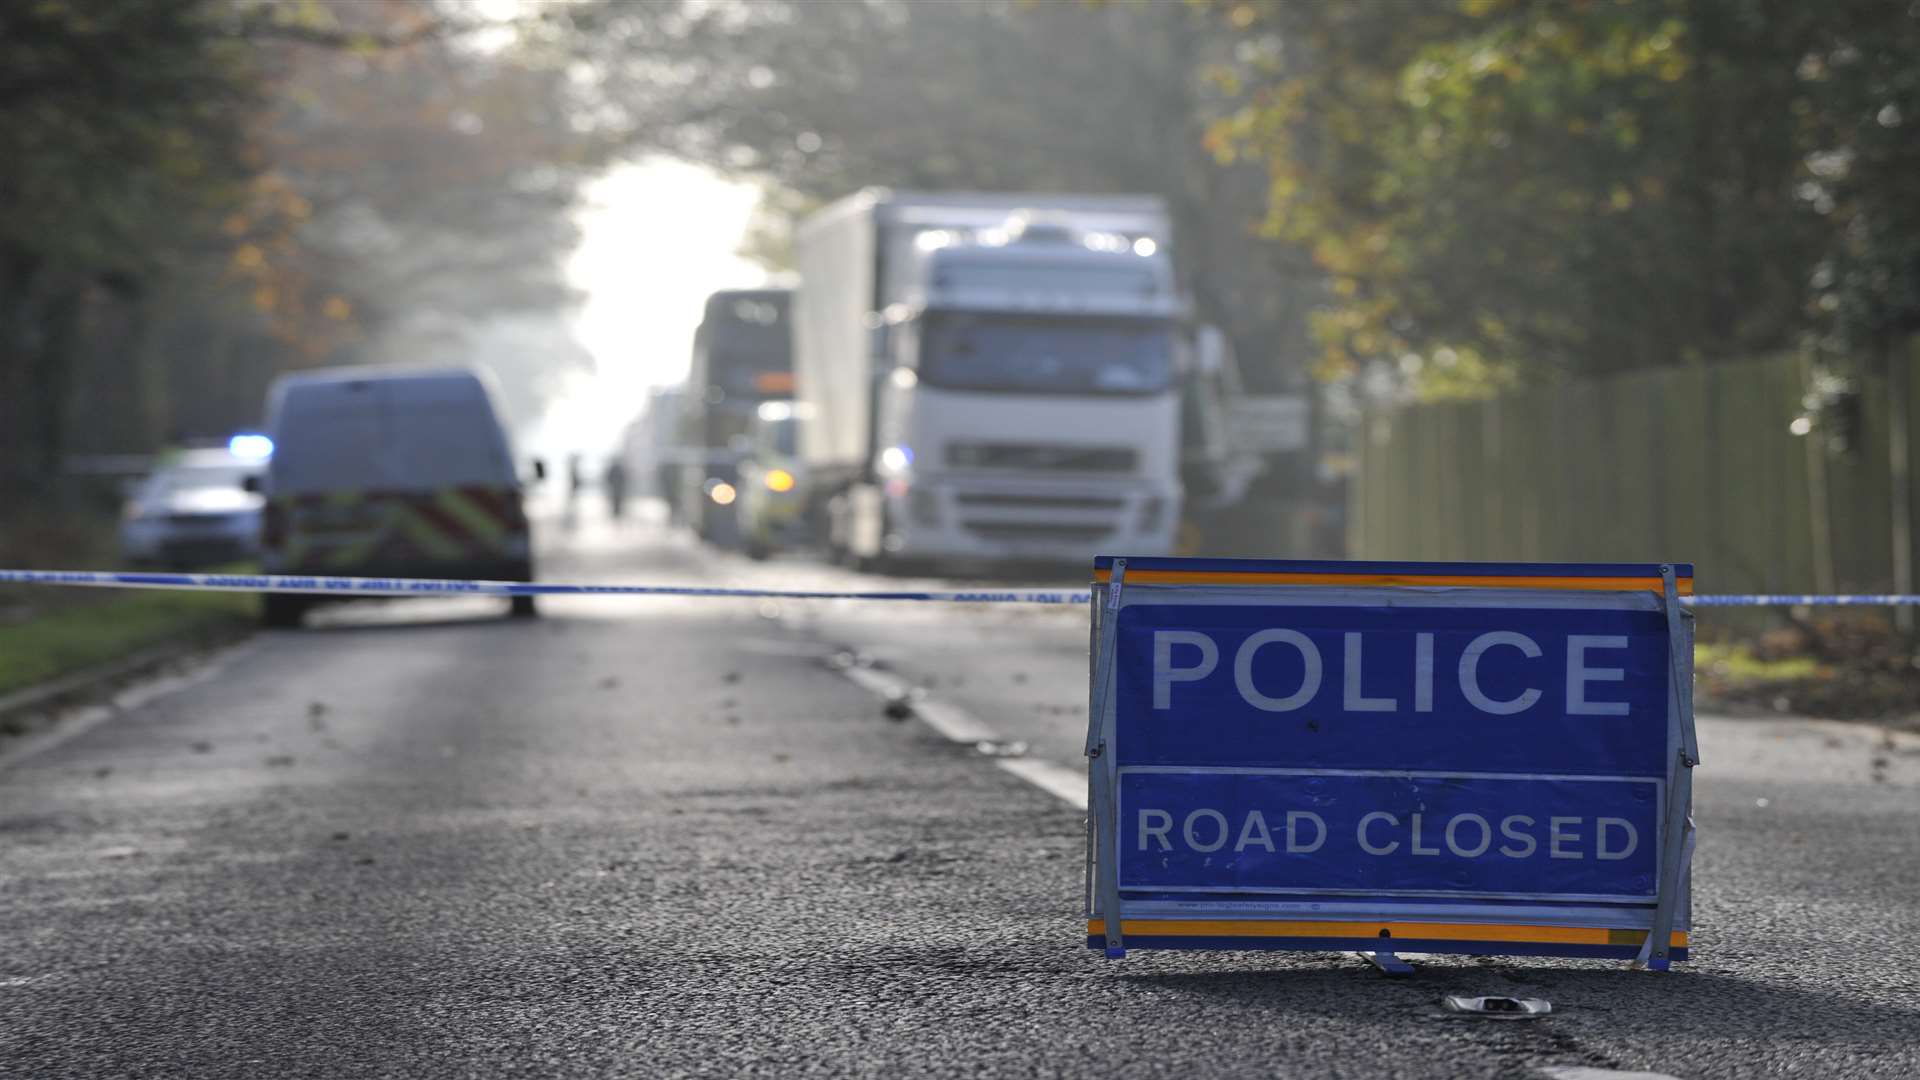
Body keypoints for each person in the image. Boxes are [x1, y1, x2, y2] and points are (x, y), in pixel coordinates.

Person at [604, 456, 629, 521]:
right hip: (616, 488)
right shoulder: (617, 469)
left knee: (617, 501)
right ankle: (616, 512)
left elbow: (609, 478)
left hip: (616, 488)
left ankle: (617, 512)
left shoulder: (615, 469)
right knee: (616, 501)